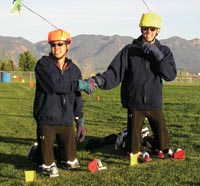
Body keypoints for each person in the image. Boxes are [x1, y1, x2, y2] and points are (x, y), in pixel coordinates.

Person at [86, 12, 177, 164]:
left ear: (158, 31)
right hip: (135, 103)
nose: (147, 32)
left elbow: (170, 75)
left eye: (151, 29)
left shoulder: (165, 51)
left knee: (164, 147)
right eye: (144, 29)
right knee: (133, 151)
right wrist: (98, 80)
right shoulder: (129, 50)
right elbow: (114, 72)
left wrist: (158, 56)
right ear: (141, 29)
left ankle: (146, 139)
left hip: (154, 103)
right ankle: (129, 139)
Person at [33, 29, 88, 177]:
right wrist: (77, 84)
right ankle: (38, 153)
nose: (56, 48)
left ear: (67, 46)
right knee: (47, 166)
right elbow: (54, 85)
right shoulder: (43, 65)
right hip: (47, 119)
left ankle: (48, 151)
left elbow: (77, 96)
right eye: (53, 45)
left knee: (71, 162)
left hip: (66, 120)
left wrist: (79, 119)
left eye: (60, 44)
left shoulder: (75, 70)